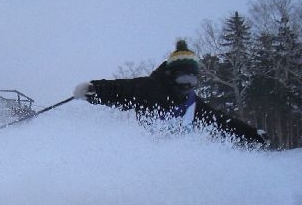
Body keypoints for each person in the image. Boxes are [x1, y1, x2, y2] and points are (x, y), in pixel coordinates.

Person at [73, 40, 269, 146]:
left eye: (192, 80)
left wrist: (251, 134)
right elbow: (119, 90)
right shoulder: (147, 88)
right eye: (183, 79)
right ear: (171, 74)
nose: (187, 85)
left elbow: (221, 122)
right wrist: (94, 90)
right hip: (147, 153)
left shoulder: (192, 103)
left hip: (178, 159)